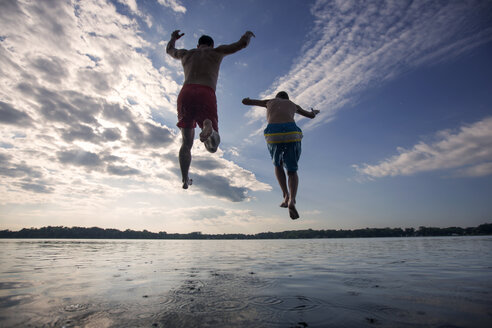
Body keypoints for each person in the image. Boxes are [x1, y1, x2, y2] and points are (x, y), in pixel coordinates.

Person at [167, 29, 255, 189]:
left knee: (186, 143)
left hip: (185, 93)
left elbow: (169, 50)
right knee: (212, 147)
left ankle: (185, 179)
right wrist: (247, 35)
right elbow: (241, 45)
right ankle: (208, 126)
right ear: (211, 44)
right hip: (205, 92)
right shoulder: (216, 51)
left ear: (198, 45)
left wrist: (173, 38)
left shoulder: (186, 54)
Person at [242, 91, 319, 220]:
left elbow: (246, 102)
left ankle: (285, 196)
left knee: (277, 165)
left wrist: (247, 98)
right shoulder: (293, 104)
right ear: (287, 98)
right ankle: (292, 200)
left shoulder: (269, 101)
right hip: (292, 132)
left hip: (274, 133)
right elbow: (311, 116)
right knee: (292, 170)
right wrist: (315, 112)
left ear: (277, 97)